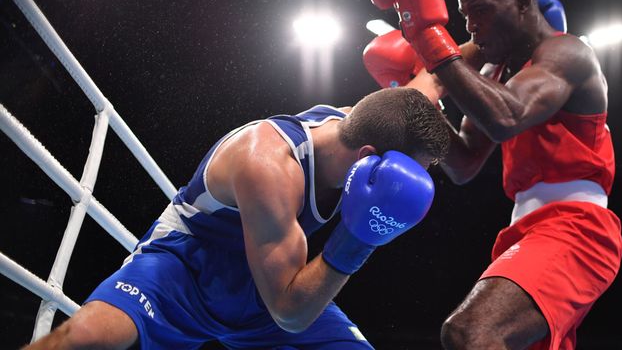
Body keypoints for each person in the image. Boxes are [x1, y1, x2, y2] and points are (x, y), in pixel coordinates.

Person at [24, 87, 450, 350]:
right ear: (369, 159)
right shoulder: (268, 165)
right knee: (85, 339)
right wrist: (359, 238)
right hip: (185, 272)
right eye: (414, 170)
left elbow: (416, 92)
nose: (409, 184)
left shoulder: (361, 124)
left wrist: (442, 43)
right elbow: (290, 312)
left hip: (266, 280)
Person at [364, 0, 622, 349]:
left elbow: (507, 117)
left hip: (576, 228)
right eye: (465, 15)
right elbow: (465, 162)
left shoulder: (567, 54)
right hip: (525, 230)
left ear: (523, 2)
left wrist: (426, 37)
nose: (471, 26)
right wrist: (419, 107)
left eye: (481, 11)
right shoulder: (496, 72)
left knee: (470, 332)